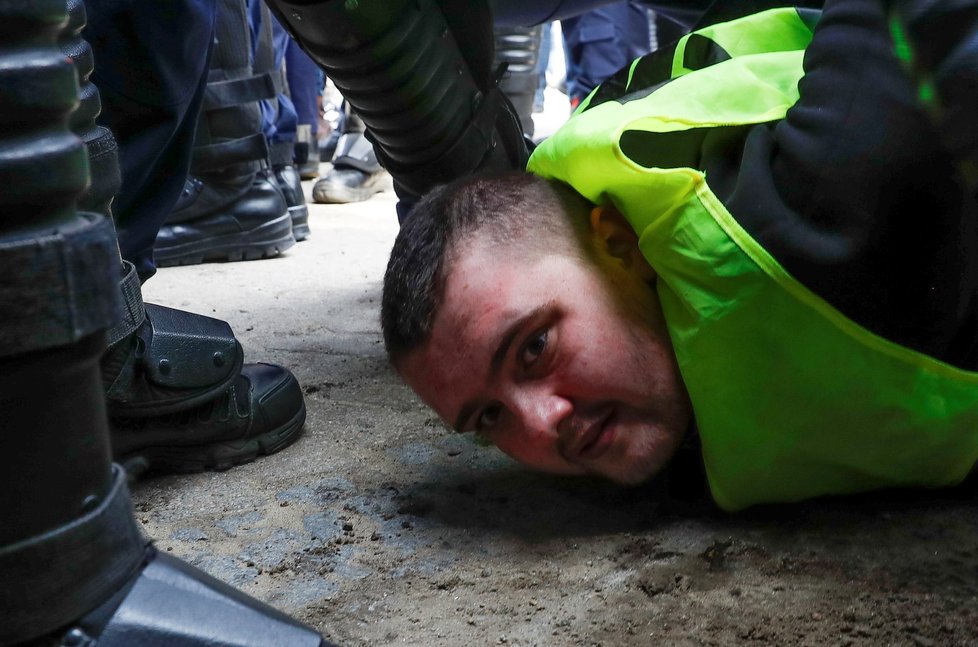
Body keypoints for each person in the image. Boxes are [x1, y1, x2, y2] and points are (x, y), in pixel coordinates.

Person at [381, 0, 978, 512]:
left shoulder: (826, 204)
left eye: (535, 348)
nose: (541, 426)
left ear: (619, 242)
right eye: (489, 420)